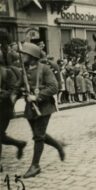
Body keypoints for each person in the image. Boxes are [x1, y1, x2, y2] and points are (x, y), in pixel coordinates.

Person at [19, 42, 65, 178]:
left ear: (32, 56)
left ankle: (35, 166)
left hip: (44, 107)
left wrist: (37, 96)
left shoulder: (44, 69)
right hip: (30, 108)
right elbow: (17, 86)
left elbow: (54, 87)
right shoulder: (25, 69)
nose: (22, 57)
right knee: (39, 134)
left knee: (38, 136)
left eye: (25, 54)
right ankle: (58, 146)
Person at [0, 34, 27, 173]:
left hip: (3, 108)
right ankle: (19, 144)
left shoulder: (7, 72)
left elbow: (11, 90)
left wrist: (2, 95)